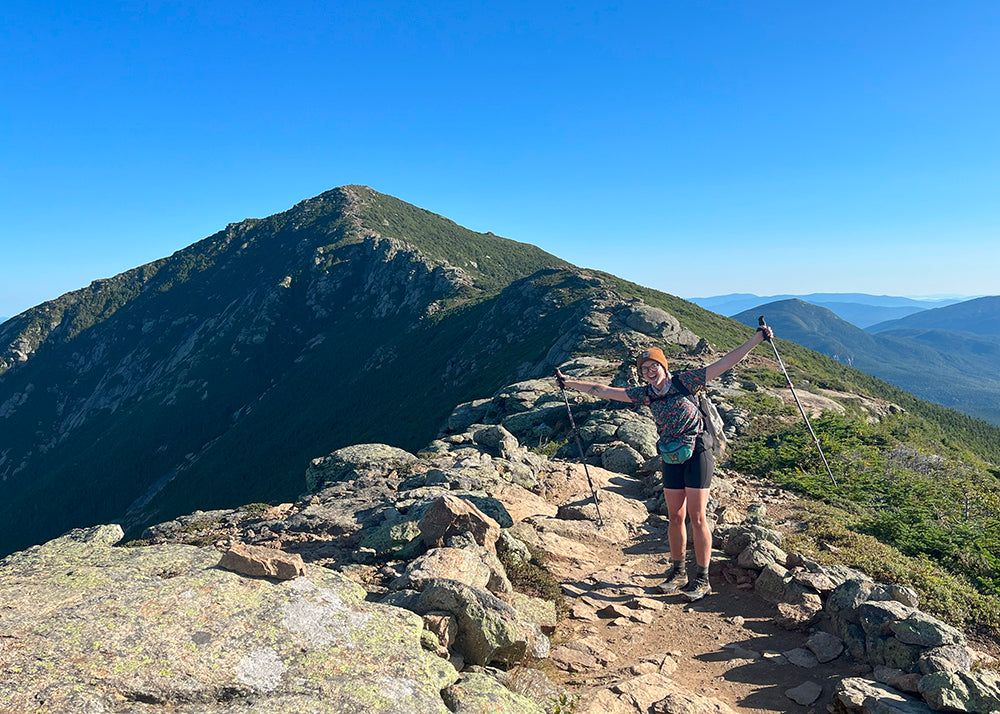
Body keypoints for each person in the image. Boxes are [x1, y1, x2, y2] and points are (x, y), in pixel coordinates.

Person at [555, 325, 774, 601]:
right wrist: (569, 383)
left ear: (663, 366)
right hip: (671, 456)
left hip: (697, 453)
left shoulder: (687, 381)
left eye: (653, 366)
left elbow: (725, 362)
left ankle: (702, 579)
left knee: (697, 517)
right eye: (644, 369)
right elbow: (603, 390)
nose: (649, 372)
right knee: (675, 517)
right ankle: (678, 572)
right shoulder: (645, 394)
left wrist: (756, 339)